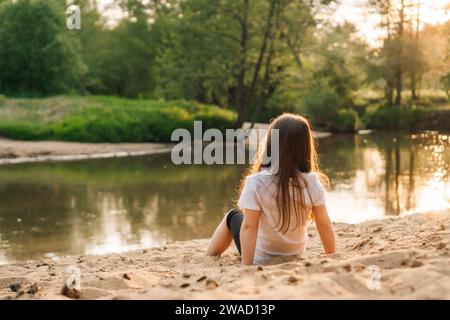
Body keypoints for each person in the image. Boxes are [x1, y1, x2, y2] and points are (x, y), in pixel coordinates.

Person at [206, 113, 336, 265]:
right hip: (295, 254)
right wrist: (331, 256)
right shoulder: (312, 182)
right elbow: (324, 223)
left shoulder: (256, 182)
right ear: (306, 147)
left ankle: (210, 255)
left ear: (270, 145)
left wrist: (247, 266)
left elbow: (249, 227)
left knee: (232, 215)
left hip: (261, 257)